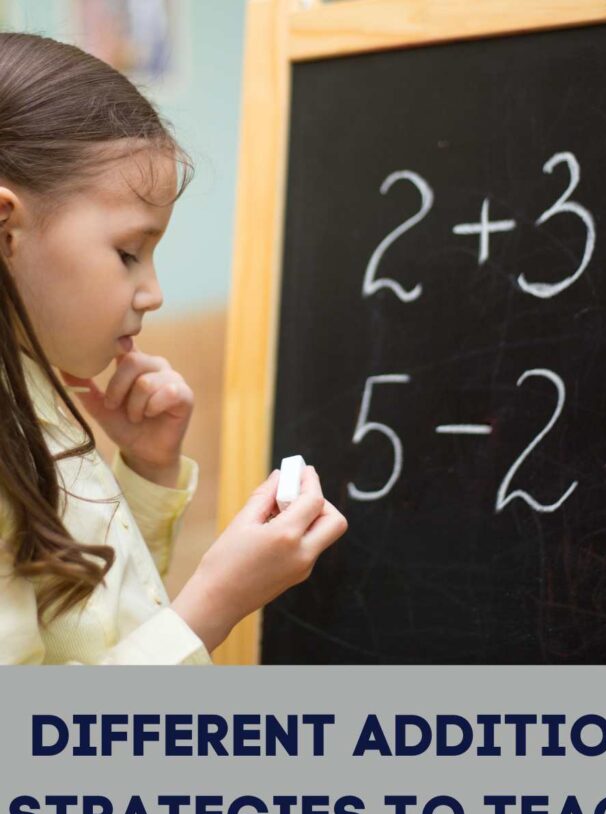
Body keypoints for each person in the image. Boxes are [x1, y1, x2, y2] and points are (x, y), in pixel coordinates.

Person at [0, 32, 347, 665]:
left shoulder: (33, 388)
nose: (152, 293)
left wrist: (148, 471)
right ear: (6, 229)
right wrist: (215, 602)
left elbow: (85, 626)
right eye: (128, 252)